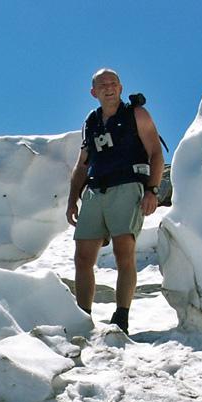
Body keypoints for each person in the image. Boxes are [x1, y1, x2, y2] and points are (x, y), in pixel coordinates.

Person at [66, 68, 164, 335]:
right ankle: (83, 316)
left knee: (124, 252)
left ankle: (121, 316)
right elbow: (82, 163)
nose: (108, 88)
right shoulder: (91, 121)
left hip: (128, 186)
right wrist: (72, 199)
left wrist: (152, 190)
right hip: (96, 190)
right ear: (93, 92)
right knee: (83, 257)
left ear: (120, 88)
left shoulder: (136, 114)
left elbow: (155, 152)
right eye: (102, 84)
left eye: (113, 83)